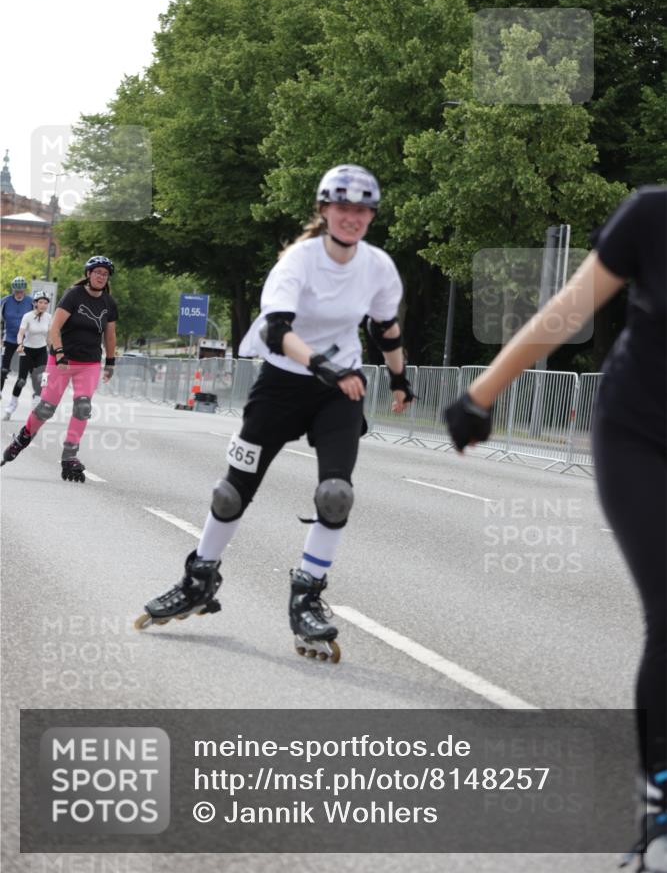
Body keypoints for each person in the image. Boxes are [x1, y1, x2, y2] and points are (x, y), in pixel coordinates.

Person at [445, 186, 666, 873]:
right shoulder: (652, 216)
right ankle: (658, 808)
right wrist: (481, 394)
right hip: (639, 436)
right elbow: (567, 309)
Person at [135, 163, 415, 662]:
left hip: (341, 390)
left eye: (361, 210)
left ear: (370, 215)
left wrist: (399, 378)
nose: (351, 217)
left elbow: (385, 328)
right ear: (324, 210)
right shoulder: (297, 262)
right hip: (283, 382)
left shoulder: (378, 267)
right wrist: (321, 364)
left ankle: (306, 597)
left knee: (335, 494)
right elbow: (274, 329)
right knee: (229, 492)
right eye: (342, 207)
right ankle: (199, 578)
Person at [1, 256, 118, 482]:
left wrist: (110, 362)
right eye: (97, 272)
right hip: (62, 361)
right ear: (88, 273)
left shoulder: (109, 303)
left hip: (90, 363)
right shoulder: (73, 295)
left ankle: (69, 456)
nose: (101, 277)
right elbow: (55, 327)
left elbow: (110, 335)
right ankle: (23, 438)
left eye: (105, 274)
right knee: (46, 408)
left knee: (83, 407)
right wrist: (61, 352)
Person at [2, 290, 52, 421]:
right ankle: (11, 407)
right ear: (35, 303)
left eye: (45, 303)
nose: (43, 305)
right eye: (40, 302)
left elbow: (49, 336)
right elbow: (20, 333)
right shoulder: (27, 316)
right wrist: (19, 344)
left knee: (43, 379)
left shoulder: (49, 317)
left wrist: (54, 350)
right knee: (21, 381)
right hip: (26, 350)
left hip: (41, 350)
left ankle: (37, 407)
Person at [1, 276, 33, 396]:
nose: (19, 293)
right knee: (3, 370)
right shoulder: (5, 301)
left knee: (25, 375)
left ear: (24, 290)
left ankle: (34, 396)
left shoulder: (31, 302)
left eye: (21, 291)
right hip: (8, 338)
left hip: (25, 341)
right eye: (16, 291)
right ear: (13, 290)